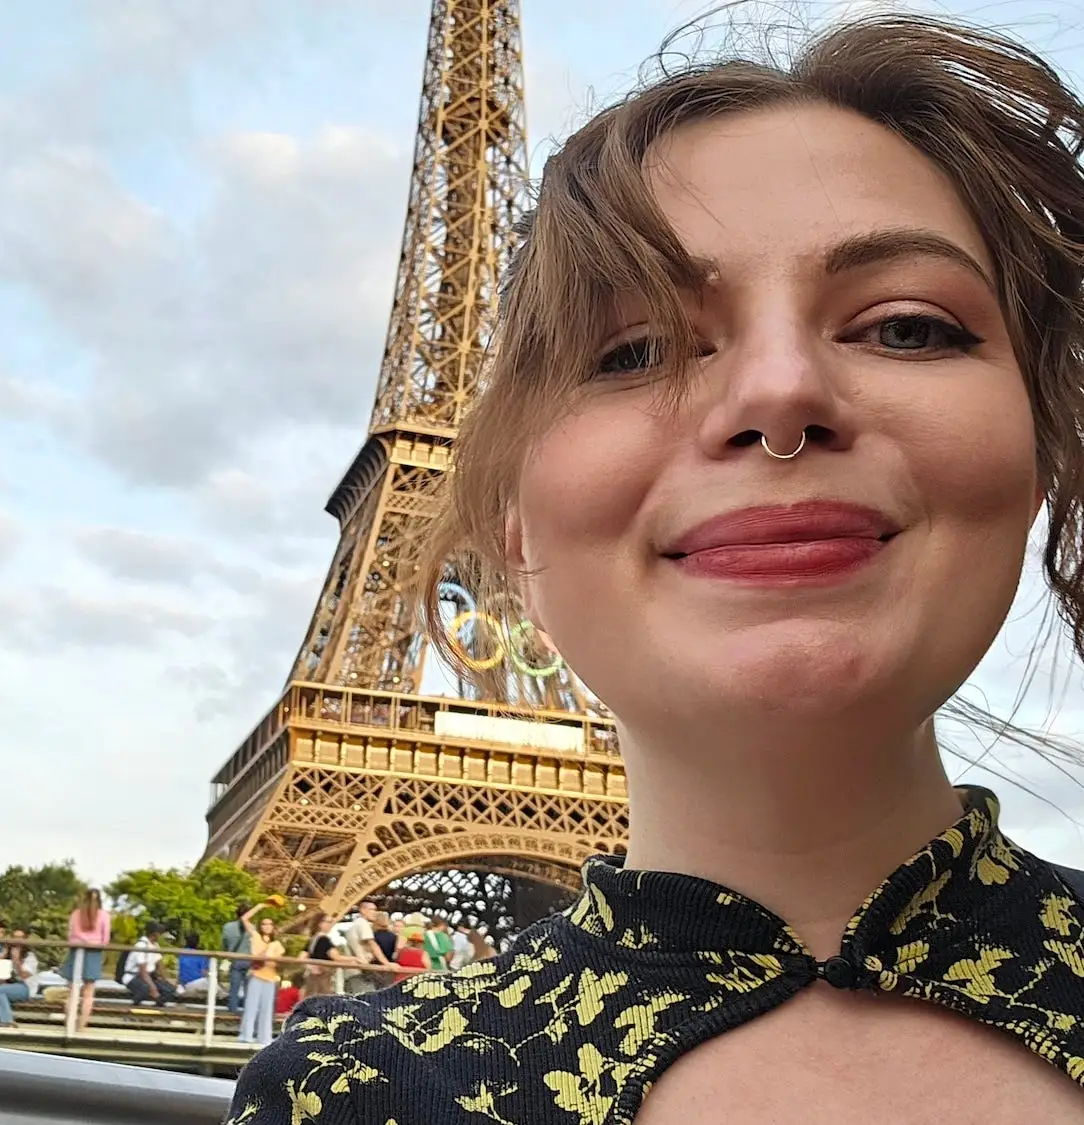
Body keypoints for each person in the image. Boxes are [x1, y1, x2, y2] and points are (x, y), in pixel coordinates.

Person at [227, 13, 1084, 1123]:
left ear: (1040, 463)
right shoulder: (344, 1094)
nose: (780, 391)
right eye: (630, 351)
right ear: (511, 521)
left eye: (907, 327)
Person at [61, 887, 110, 1030]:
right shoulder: (104, 915)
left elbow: (70, 935)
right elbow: (105, 939)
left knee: (72, 990)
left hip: (75, 951)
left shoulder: (76, 914)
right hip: (93, 953)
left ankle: (69, 1023)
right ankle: (81, 1025)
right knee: (89, 992)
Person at [237, 913, 285, 1046]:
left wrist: (268, 958)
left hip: (270, 977)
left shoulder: (276, 944)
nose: (267, 926)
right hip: (257, 975)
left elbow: (277, 963)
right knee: (251, 1006)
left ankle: (264, 1037)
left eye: (270, 924)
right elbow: (244, 919)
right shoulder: (256, 937)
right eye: (264, 924)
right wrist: (262, 907)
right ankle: (246, 1035)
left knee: (267, 1008)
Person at [0, 929, 39, 1028]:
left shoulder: (30, 957)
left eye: (20, 938)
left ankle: (7, 1022)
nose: (17, 941)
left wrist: (16, 961)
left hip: (25, 988)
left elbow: (24, 975)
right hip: (7, 986)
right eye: (15, 937)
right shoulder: (6, 955)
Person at [123, 921, 178, 1007]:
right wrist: (153, 987)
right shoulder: (141, 946)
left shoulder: (155, 945)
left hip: (149, 977)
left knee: (169, 990)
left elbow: (160, 965)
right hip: (134, 977)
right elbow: (143, 971)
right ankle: (133, 1008)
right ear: (155, 934)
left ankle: (157, 1007)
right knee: (145, 988)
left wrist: (167, 980)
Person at [220, 900, 256, 1015]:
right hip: (249, 960)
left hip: (235, 959)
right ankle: (248, 1012)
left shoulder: (228, 927)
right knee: (249, 989)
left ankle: (232, 1010)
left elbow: (225, 943)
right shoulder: (253, 928)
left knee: (234, 988)